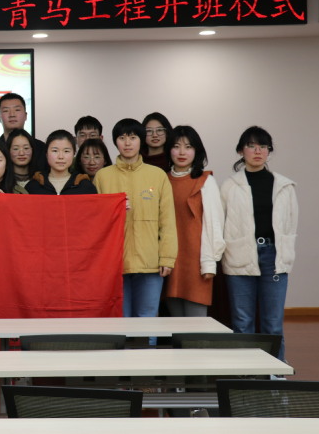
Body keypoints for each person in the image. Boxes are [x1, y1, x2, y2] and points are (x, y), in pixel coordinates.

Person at [93, 119, 177, 337]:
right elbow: (94, 222)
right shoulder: (103, 176)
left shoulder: (157, 175)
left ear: (141, 141)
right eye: (122, 138)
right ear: (115, 142)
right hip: (115, 264)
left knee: (147, 321)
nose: (127, 143)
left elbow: (167, 221)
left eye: (133, 137)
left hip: (150, 263)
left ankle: (146, 361)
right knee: (120, 322)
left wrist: (167, 258)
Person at [220, 126, 297, 361]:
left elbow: (291, 225)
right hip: (240, 255)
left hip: (273, 256)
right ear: (240, 151)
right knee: (243, 322)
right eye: (251, 146)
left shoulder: (284, 186)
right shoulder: (229, 186)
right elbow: (222, 224)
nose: (257, 151)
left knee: (273, 322)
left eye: (263, 146)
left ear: (269, 151)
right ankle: (244, 374)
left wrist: (286, 253)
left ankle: (275, 373)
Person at [164, 126, 225, 318]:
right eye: (176, 146)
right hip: (169, 261)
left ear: (197, 151)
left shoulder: (205, 181)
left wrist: (210, 263)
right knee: (175, 322)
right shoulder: (162, 180)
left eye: (188, 147)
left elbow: (215, 224)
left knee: (196, 324)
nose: (182, 152)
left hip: (197, 262)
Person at [27, 130, 97, 195]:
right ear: (46, 154)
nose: (61, 157)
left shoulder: (86, 187)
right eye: (55, 151)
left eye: (66, 151)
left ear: (74, 153)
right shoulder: (33, 186)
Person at [0, 93, 46, 172]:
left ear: (25, 116)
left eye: (17, 110)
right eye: (6, 111)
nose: (12, 115)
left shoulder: (41, 148)